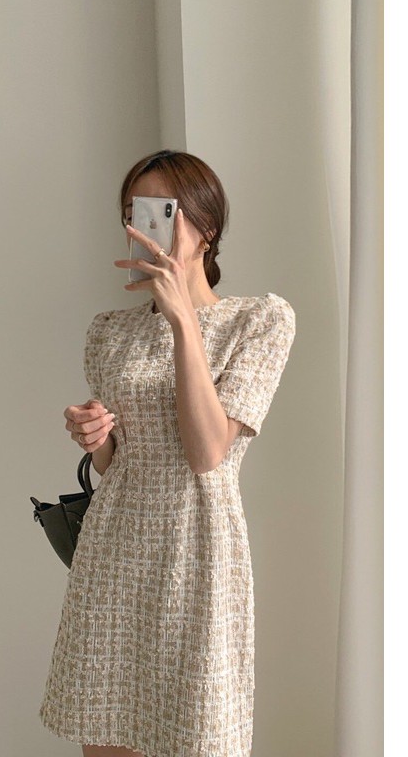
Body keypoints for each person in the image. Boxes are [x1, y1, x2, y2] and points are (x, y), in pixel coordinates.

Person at [38, 150, 296, 757]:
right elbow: (120, 465)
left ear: (208, 227)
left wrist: (183, 319)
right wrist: (96, 437)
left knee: (197, 735)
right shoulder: (110, 330)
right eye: (135, 211)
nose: (145, 225)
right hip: (114, 553)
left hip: (197, 551)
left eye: (164, 210)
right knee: (107, 736)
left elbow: (206, 454)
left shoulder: (260, 320)